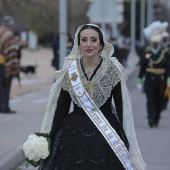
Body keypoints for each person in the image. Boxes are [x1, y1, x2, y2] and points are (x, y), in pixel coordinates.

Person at [25, 24, 146, 170]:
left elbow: (122, 107)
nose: (89, 44)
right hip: (72, 135)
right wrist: (50, 138)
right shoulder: (70, 70)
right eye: (84, 40)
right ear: (79, 43)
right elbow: (62, 108)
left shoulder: (112, 70)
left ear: (101, 44)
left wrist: (125, 139)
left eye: (94, 40)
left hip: (106, 134)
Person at [137, 31, 170, 128]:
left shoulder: (164, 53)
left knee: (159, 100)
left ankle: (156, 118)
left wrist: (168, 78)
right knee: (150, 99)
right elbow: (143, 66)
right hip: (149, 79)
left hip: (161, 80)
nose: (155, 44)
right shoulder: (147, 53)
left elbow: (168, 67)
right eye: (153, 43)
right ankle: (150, 118)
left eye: (157, 43)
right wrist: (139, 78)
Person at [0, 16, 20, 113]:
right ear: (11, 24)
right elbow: (11, 53)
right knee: (6, 86)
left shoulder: (0, 32)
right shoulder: (8, 35)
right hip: (3, 64)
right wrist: (11, 68)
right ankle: (4, 107)